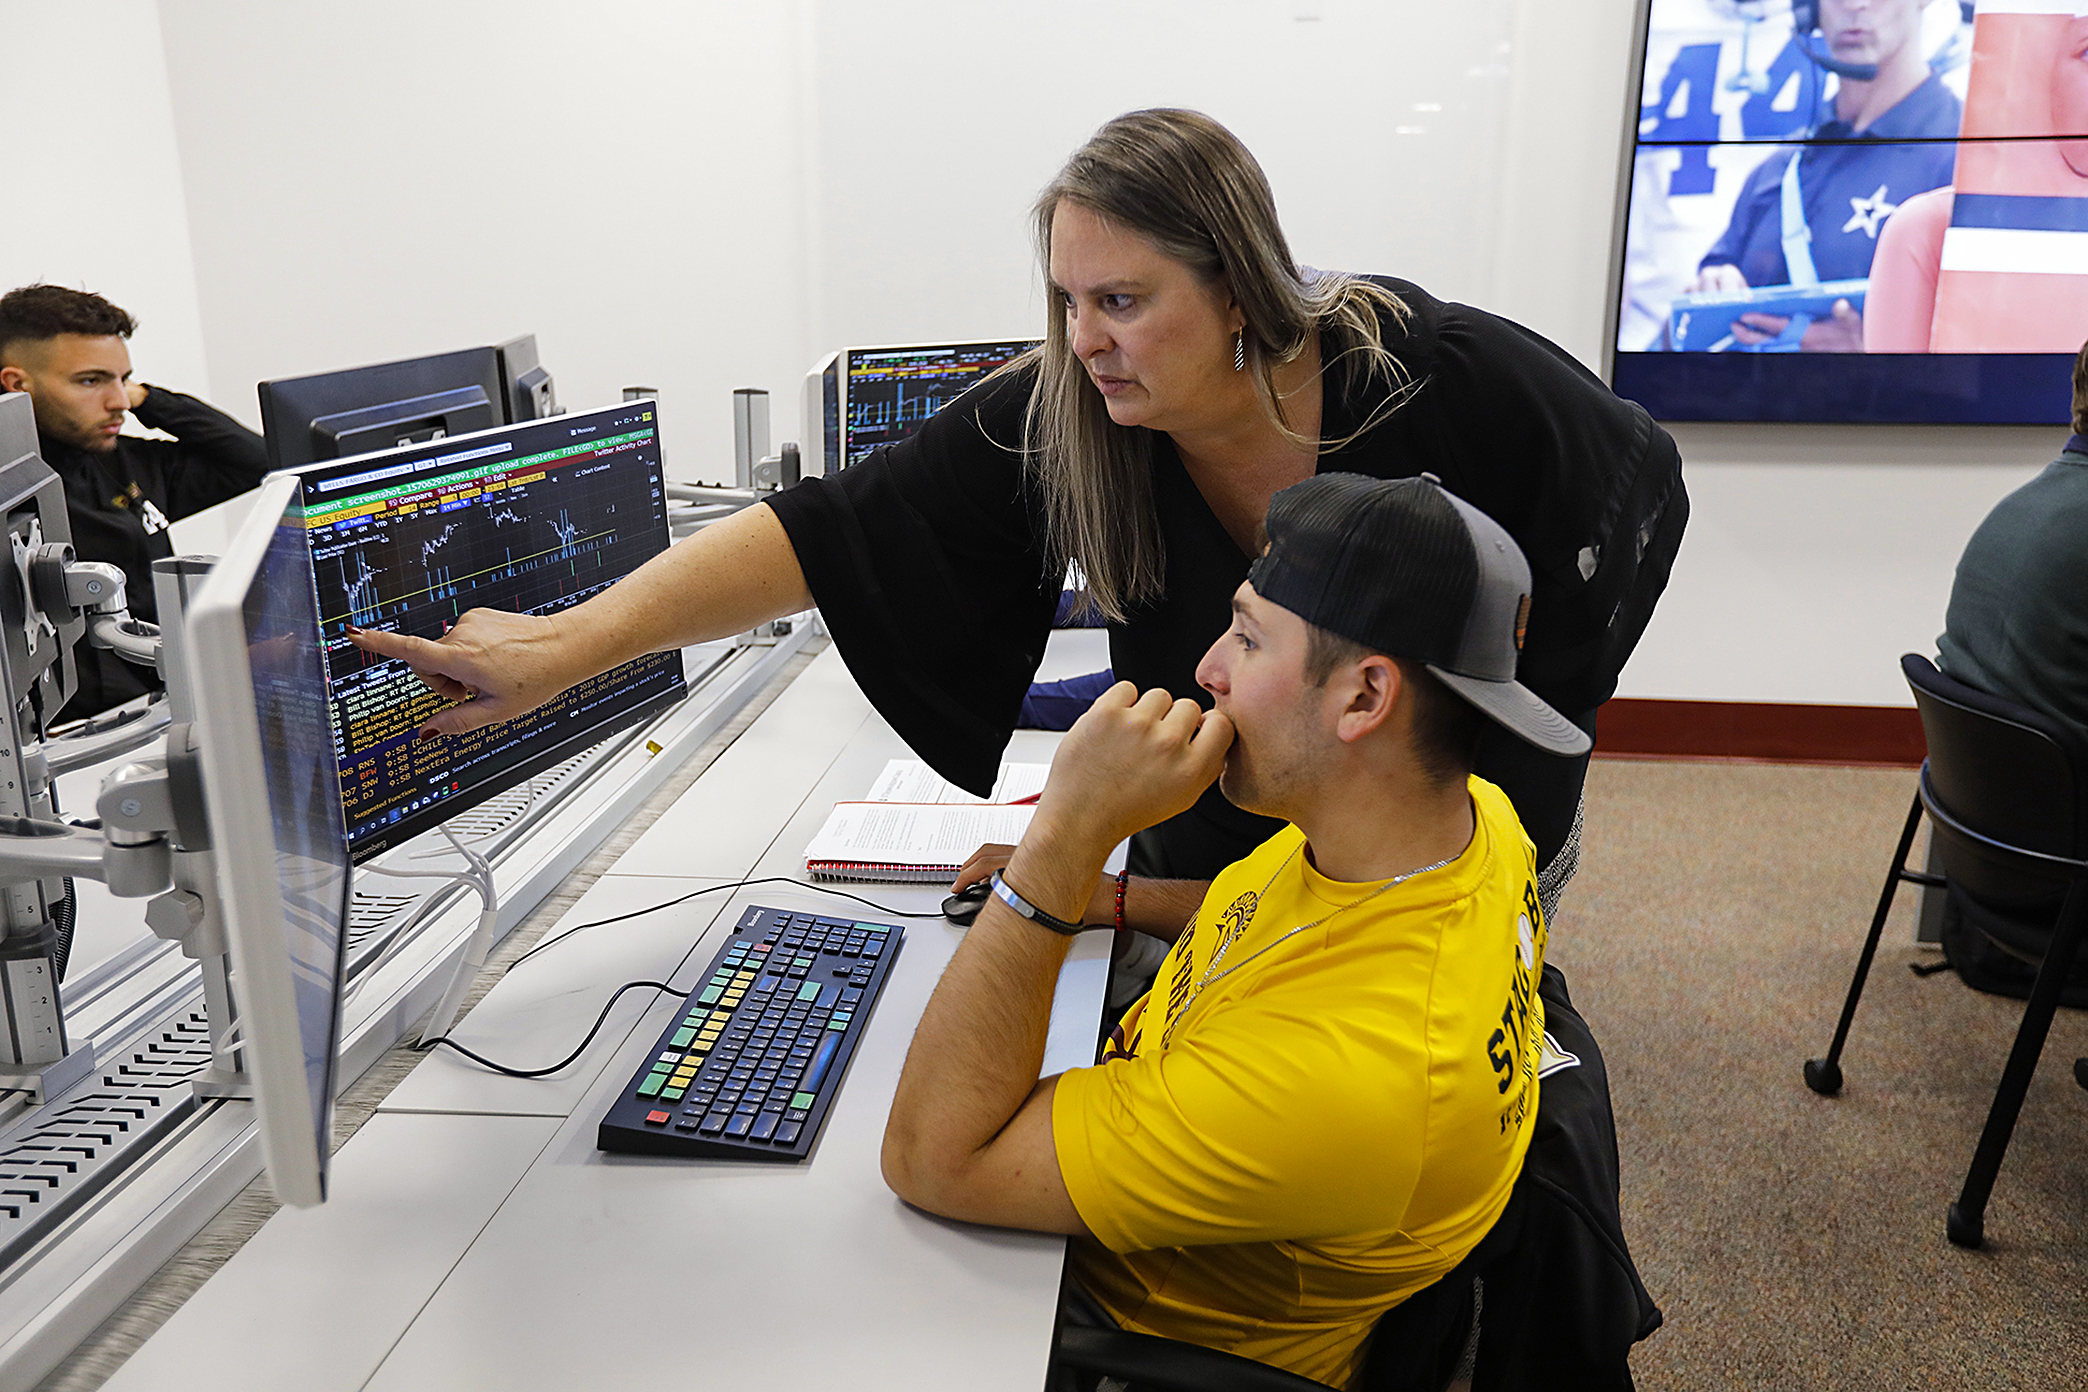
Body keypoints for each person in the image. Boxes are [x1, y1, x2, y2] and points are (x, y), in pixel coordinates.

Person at [350, 108, 1686, 934]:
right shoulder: (1075, 409)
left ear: (1238, 291)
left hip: (1438, 835)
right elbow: (837, 530)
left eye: (1122, 300)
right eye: (1065, 299)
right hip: (1226, 831)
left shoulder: (1443, 381)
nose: (1083, 340)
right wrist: (569, 644)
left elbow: (1635, 489)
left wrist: (1521, 688)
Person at [880, 474, 1583, 1387]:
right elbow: (1267, 906)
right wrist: (1111, 898)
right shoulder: (1469, 829)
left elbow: (930, 1158)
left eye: (1248, 638)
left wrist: (1061, 839)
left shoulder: (1352, 1077)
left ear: (1365, 698)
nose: (1208, 669)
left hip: (1098, 1327)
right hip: (1169, 1141)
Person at [0, 284, 269, 720]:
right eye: (90, 380)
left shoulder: (124, 461)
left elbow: (254, 461)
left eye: (123, 380)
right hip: (67, 736)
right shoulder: (11, 490)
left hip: (167, 706)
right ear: (16, 384)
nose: (119, 402)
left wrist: (148, 397)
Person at [1685, 0, 1961, 351]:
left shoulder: (1970, 157)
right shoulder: (1778, 170)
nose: (1854, 5)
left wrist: (1884, 354)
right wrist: (1709, 293)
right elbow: (1671, 343)